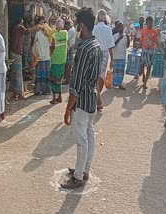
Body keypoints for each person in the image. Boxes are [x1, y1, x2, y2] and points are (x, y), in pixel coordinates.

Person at [61, 7, 102, 189]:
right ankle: (84, 169)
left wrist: (68, 108)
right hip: (92, 98)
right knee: (89, 135)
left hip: (83, 101)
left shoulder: (85, 48)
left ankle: (78, 177)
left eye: (78, 24)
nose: (77, 27)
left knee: (81, 139)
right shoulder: (97, 45)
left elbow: (76, 85)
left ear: (83, 25)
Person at [10, 19, 38, 100]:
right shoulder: (19, 27)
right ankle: (20, 93)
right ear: (21, 22)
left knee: (14, 73)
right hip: (16, 53)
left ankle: (14, 92)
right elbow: (27, 31)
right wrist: (36, 26)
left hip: (14, 52)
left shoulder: (15, 28)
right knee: (18, 74)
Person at [93, 9, 115, 111]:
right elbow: (110, 46)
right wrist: (112, 60)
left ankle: (97, 99)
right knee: (101, 76)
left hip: (95, 53)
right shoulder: (108, 29)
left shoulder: (94, 28)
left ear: (97, 17)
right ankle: (98, 99)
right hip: (105, 54)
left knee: (95, 76)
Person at [49, 19, 68, 104]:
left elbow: (52, 47)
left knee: (53, 79)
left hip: (56, 60)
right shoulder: (66, 33)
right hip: (63, 59)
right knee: (60, 78)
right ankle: (59, 97)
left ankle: (54, 98)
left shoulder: (54, 36)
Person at [32, 17, 51, 95]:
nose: (43, 25)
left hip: (45, 57)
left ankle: (43, 90)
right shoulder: (39, 33)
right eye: (41, 23)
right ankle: (41, 90)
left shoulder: (47, 34)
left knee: (43, 75)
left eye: (44, 23)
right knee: (41, 74)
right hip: (41, 57)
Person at [140, 16, 159, 89]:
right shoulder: (143, 30)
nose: (149, 23)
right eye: (148, 22)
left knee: (148, 67)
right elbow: (141, 40)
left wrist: (160, 49)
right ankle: (143, 76)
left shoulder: (155, 31)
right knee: (142, 65)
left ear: (152, 22)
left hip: (151, 51)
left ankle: (145, 83)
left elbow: (156, 41)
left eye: (150, 22)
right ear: (146, 22)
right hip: (144, 50)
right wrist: (136, 47)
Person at [113, 22, 130, 89]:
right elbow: (113, 45)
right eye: (119, 27)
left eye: (122, 27)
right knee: (115, 72)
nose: (121, 28)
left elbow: (127, 46)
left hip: (122, 56)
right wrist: (119, 39)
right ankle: (114, 83)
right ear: (117, 28)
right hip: (115, 56)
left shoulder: (126, 36)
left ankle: (120, 84)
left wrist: (128, 38)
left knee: (121, 72)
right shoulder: (115, 36)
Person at [63, 20, 76, 85]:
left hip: (69, 48)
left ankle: (67, 79)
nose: (65, 27)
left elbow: (65, 38)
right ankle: (67, 79)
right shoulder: (72, 29)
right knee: (68, 64)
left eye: (65, 26)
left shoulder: (70, 31)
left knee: (68, 64)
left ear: (67, 25)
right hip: (70, 48)